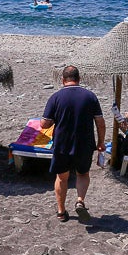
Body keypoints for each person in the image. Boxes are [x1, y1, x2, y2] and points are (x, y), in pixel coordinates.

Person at [41, 65, 106, 223]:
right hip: (84, 143)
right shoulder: (90, 96)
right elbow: (100, 122)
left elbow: (45, 124)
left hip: (62, 143)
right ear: (79, 79)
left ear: (63, 80)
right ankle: (80, 200)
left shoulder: (55, 97)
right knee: (82, 174)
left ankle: (61, 212)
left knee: (62, 177)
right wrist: (101, 142)